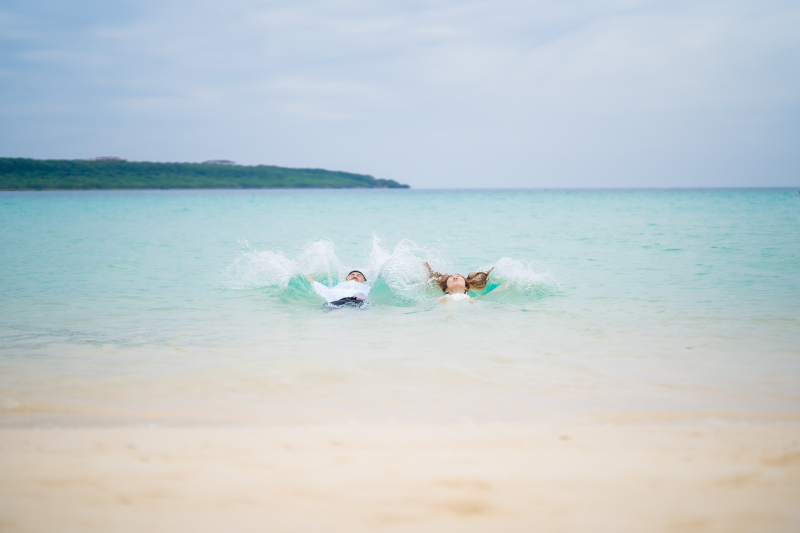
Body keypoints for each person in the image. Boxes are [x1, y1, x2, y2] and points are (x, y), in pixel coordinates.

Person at [424, 262, 495, 303]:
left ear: (465, 287)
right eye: (451, 277)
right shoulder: (444, 298)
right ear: (446, 290)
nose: (455, 277)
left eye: (458, 276)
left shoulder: (470, 299)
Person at [302, 269, 370, 308]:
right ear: (346, 279)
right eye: (352, 275)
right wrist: (300, 271)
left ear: (364, 280)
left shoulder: (366, 287)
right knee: (327, 310)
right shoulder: (339, 287)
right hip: (337, 301)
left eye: (359, 275)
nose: (355, 276)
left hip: (358, 301)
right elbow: (318, 286)